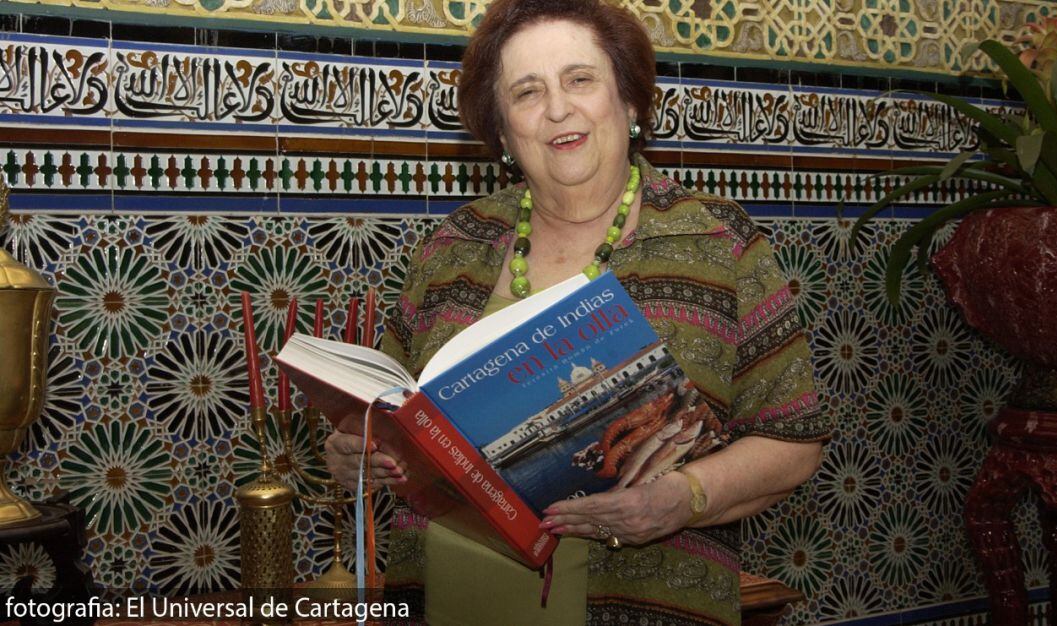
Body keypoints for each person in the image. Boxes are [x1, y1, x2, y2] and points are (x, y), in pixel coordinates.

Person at [325, 0, 831, 623]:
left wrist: (685, 497)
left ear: (631, 102)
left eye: (580, 80)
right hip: (444, 599)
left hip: (647, 601)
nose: (558, 108)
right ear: (504, 134)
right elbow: (389, 415)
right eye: (527, 92)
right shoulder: (452, 247)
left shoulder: (720, 243)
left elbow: (794, 441)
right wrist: (356, 452)